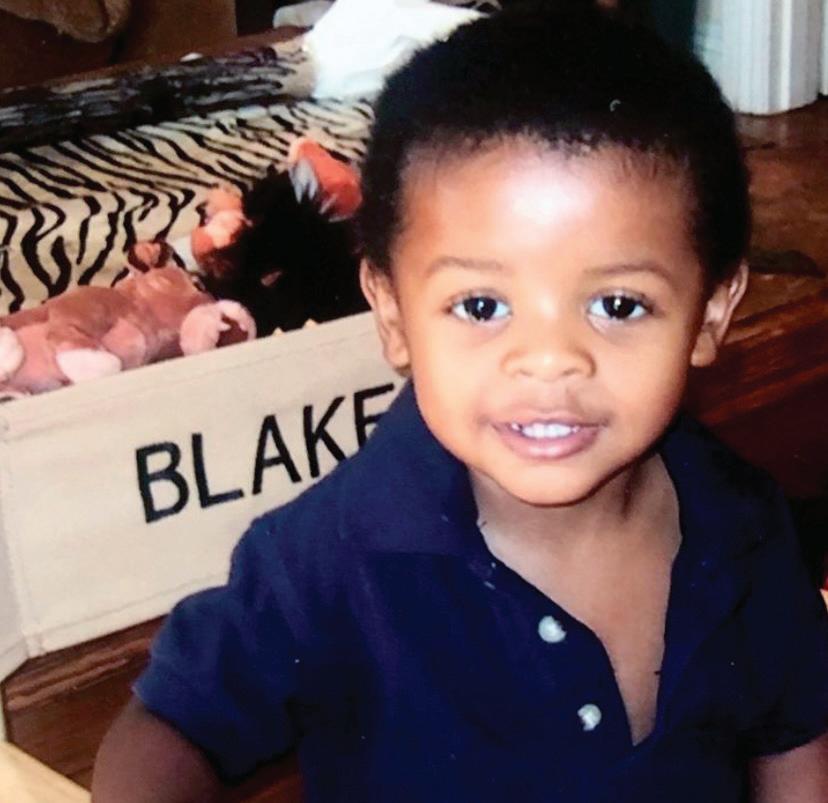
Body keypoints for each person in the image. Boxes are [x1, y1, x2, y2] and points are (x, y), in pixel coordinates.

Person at [91, 3, 828, 801]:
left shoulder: (745, 524)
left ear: (711, 312)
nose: (548, 359)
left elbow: (793, 738)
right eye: (481, 306)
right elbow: (169, 725)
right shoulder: (334, 558)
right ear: (392, 314)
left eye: (617, 305)